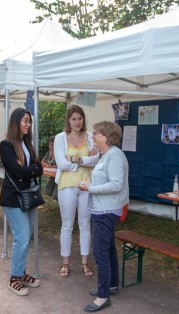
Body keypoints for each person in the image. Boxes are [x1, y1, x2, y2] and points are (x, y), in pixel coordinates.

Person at [78, 121, 129, 312]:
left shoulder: (114, 156)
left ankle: (103, 296)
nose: (93, 136)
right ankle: (112, 285)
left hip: (106, 210)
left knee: (101, 252)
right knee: (108, 250)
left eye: (96, 133)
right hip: (104, 209)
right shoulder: (107, 155)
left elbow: (116, 185)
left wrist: (89, 188)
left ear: (106, 137)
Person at [0, 108, 43, 296]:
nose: (28, 124)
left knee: (27, 238)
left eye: (29, 121)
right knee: (22, 238)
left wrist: (30, 168)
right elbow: (21, 173)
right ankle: (14, 278)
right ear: (16, 122)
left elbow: (39, 168)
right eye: (25, 121)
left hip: (29, 196)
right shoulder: (6, 145)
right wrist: (31, 169)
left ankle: (22, 273)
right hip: (12, 198)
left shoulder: (27, 144)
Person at [54, 104, 99, 279]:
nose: (77, 122)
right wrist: (85, 160)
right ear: (68, 120)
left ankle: (84, 262)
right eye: (74, 119)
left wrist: (74, 158)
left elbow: (96, 159)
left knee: (85, 225)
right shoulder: (60, 138)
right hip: (67, 185)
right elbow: (61, 163)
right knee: (67, 225)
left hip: (86, 185)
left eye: (80, 118)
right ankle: (65, 262)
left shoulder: (89, 137)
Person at [41, 135, 57, 200]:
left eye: (54, 145)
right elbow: (41, 162)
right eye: (50, 144)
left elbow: (60, 165)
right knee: (47, 191)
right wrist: (45, 164)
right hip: (52, 177)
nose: (52, 147)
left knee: (56, 196)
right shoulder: (48, 153)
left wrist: (51, 166)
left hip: (59, 178)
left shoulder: (59, 153)